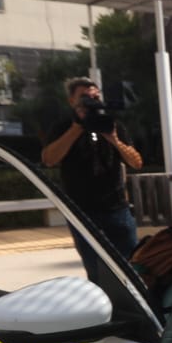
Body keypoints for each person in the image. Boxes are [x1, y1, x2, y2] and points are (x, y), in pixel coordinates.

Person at [42, 77, 143, 281]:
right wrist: (77, 127)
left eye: (95, 97)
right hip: (82, 212)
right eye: (84, 98)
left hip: (117, 209)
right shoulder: (63, 127)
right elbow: (49, 159)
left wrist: (114, 140)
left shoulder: (112, 125)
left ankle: (137, 308)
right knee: (96, 270)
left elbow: (136, 162)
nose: (91, 101)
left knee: (133, 267)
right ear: (72, 101)